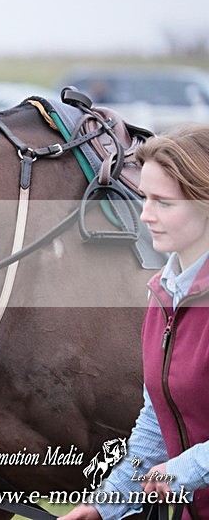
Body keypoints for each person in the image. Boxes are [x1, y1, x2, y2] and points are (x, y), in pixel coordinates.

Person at [60, 126, 209, 519]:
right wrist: (104, 505)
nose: (145, 215)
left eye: (164, 202)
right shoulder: (163, 292)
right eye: (144, 198)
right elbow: (157, 426)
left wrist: (191, 468)